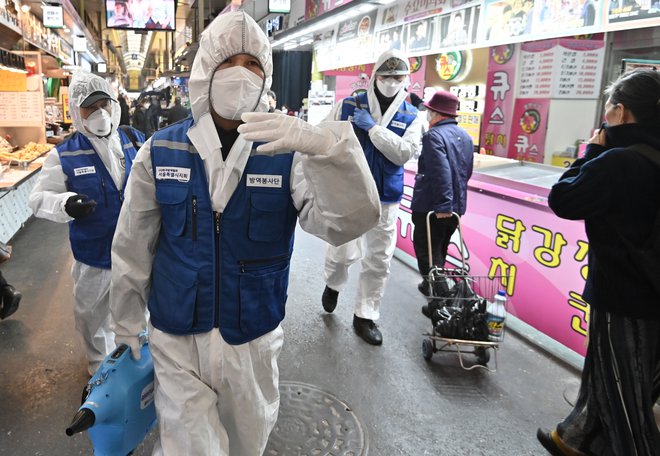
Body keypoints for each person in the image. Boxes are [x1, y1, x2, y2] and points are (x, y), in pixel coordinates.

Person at [109, 11, 379, 456]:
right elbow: (132, 243)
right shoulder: (161, 150)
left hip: (251, 339)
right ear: (205, 72)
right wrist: (125, 321)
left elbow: (344, 223)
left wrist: (332, 152)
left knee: (245, 445)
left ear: (266, 75)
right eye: (228, 61)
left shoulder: (287, 152)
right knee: (189, 448)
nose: (240, 73)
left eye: (252, 63)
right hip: (178, 339)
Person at [539, 68, 660, 456]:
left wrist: (592, 150)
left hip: (625, 294)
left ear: (621, 112)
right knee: (605, 373)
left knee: (627, 398)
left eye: (608, 107)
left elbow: (563, 199)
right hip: (651, 289)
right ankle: (574, 438)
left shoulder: (619, 161)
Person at [28, 72, 145, 376]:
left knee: (135, 312)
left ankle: (136, 367)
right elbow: (38, 198)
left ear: (113, 103)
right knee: (92, 317)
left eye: (103, 104)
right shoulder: (64, 155)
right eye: (89, 108)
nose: (99, 114)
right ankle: (100, 372)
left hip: (136, 252)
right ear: (75, 112)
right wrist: (64, 203)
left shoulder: (135, 140)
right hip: (94, 256)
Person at [321, 49, 422, 345]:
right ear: (375, 76)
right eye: (386, 76)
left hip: (387, 195)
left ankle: (366, 315)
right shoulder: (348, 105)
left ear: (406, 79)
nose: (391, 82)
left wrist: (374, 130)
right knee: (342, 250)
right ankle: (333, 283)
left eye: (397, 77)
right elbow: (325, 136)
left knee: (379, 259)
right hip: (350, 190)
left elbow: (403, 152)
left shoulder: (412, 115)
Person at [409, 91, 473, 313]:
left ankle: (441, 304)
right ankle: (431, 286)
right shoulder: (465, 136)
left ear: (435, 112)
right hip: (455, 207)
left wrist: (443, 206)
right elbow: (466, 172)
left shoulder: (433, 136)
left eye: (428, 110)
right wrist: (453, 204)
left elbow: (440, 172)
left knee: (427, 254)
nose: (427, 114)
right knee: (439, 250)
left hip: (433, 207)